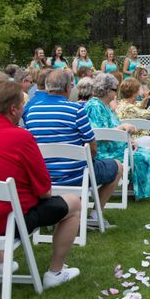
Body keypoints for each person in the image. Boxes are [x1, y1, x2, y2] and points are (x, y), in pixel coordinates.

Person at [0, 80, 82, 288]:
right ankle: (55, 272)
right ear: (13, 109)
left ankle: (1, 263)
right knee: (73, 203)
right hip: (2, 224)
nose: (23, 110)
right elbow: (45, 191)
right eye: (22, 105)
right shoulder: (21, 137)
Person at [24, 70, 123, 225]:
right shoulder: (76, 110)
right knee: (118, 166)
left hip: (44, 177)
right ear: (67, 88)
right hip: (76, 177)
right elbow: (92, 146)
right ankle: (96, 215)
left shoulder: (32, 111)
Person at [83, 74, 150, 197]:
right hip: (103, 151)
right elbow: (98, 133)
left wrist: (130, 139)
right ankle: (135, 190)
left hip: (114, 146)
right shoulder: (95, 106)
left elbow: (113, 126)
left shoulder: (105, 105)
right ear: (106, 91)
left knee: (144, 152)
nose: (117, 93)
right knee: (142, 156)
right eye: (115, 89)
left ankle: (133, 188)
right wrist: (122, 128)